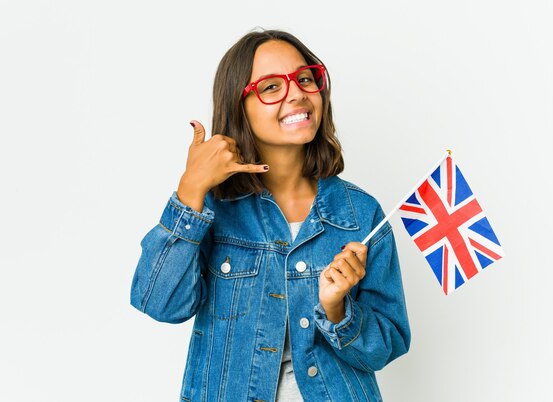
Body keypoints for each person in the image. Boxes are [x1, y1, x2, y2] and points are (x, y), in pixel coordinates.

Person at [131, 29, 411, 402]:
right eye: (271, 87)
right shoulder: (211, 208)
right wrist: (191, 190)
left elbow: (385, 347)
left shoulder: (360, 214)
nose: (296, 93)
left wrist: (338, 309)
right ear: (238, 106)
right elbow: (159, 303)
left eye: (305, 79)